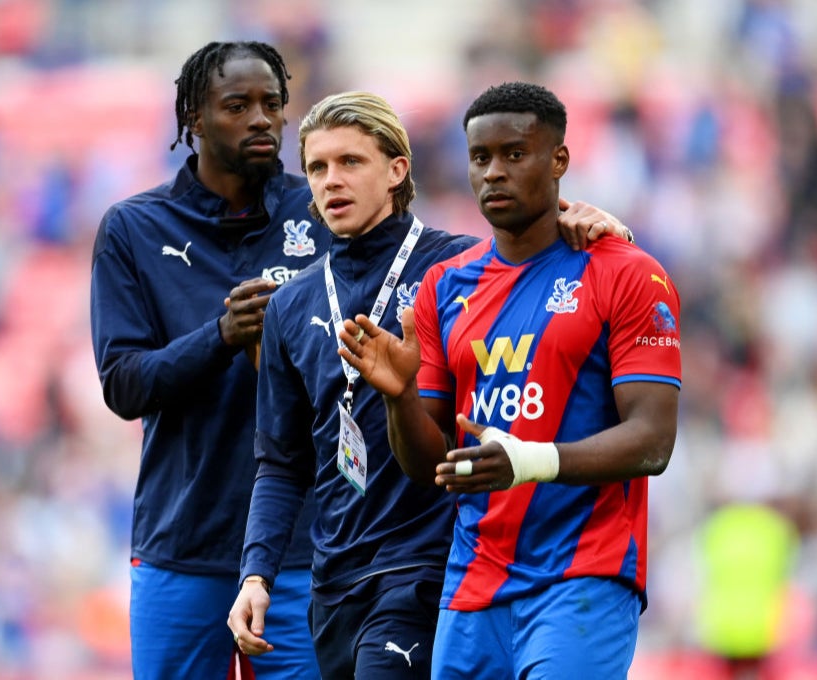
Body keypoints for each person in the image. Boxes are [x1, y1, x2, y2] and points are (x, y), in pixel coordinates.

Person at [227, 90, 634, 679]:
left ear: (397, 171)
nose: (331, 181)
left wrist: (589, 224)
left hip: (435, 564)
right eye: (317, 167)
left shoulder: (461, 269)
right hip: (335, 578)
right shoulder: (292, 305)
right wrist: (257, 574)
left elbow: (538, 257)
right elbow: (280, 460)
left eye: (350, 162)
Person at [337, 82, 682, 679]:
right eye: (480, 158)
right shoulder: (445, 287)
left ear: (559, 162)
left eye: (514, 155)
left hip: (582, 578)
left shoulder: (628, 274)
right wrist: (398, 399)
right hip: (472, 584)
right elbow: (431, 466)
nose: (494, 172)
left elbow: (652, 442)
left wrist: (529, 461)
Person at [89, 41, 328, 679]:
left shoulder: (323, 214)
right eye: (237, 105)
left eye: (272, 104)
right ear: (193, 117)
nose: (261, 119)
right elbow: (123, 385)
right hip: (185, 542)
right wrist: (221, 335)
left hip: (306, 546)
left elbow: (431, 264)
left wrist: (563, 225)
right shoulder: (134, 228)